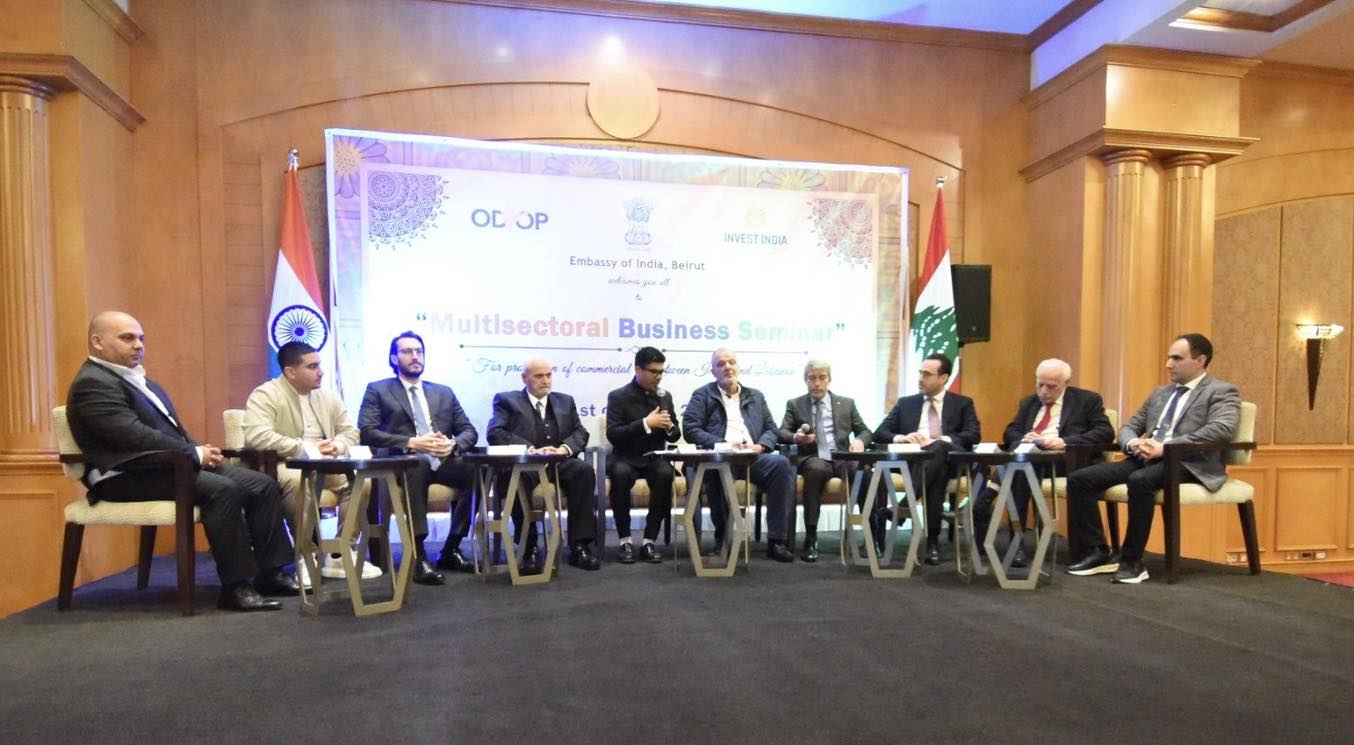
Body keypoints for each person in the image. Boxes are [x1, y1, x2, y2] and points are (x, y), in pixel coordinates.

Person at [66, 311, 296, 612]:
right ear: (97, 342)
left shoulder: (142, 381)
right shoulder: (92, 383)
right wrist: (193, 454)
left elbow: (172, 431)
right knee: (221, 489)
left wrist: (199, 451)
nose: (138, 345)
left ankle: (271, 573)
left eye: (141, 338)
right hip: (121, 475)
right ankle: (236, 587)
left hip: (162, 466)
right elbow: (132, 437)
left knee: (261, 483)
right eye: (127, 338)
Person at [1065, 333, 1240, 584]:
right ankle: (1097, 552)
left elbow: (1220, 430)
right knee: (1080, 479)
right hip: (1146, 458)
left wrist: (1165, 447)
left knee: (1140, 480)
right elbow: (1130, 426)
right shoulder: (1160, 393)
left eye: (1177, 358)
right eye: (1169, 358)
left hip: (1189, 462)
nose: (1168, 364)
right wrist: (1133, 442)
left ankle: (1132, 561)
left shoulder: (1221, 391)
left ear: (1200, 360)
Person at [242, 341, 380, 582]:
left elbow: (350, 432)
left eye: (319, 365)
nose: (321, 372)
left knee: (361, 480)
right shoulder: (266, 394)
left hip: (328, 463)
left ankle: (340, 553)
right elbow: (257, 436)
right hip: (286, 464)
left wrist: (337, 446)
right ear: (290, 372)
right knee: (299, 481)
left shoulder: (328, 396)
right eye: (312, 366)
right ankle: (307, 556)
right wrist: (305, 448)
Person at [357, 331, 478, 585]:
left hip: (440, 460)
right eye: (407, 351)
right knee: (418, 463)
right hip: (401, 463)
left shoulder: (443, 392)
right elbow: (367, 432)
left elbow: (469, 431)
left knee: (476, 468)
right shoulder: (379, 390)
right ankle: (417, 554)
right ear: (394, 358)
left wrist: (452, 444)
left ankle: (451, 548)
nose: (415, 356)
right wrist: (411, 442)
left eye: (419, 351)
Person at [975, 358, 1113, 567]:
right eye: (1040, 384)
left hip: (1065, 461)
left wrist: (1063, 441)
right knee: (1021, 467)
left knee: (1019, 466)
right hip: (1030, 460)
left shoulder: (1087, 400)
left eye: (1051, 386)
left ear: (1066, 383)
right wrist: (1024, 439)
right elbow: (1011, 431)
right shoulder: (1029, 403)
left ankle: (990, 495)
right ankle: (1016, 543)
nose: (1044, 392)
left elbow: (1104, 432)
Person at [682, 348, 796, 562]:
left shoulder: (755, 396)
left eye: (731, 362)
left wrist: (762, 446)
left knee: (781, 464)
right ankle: (723, 540)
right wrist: (722, 444)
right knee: (718, 470)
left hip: (752, 457)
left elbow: (771, 429)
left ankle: (776, 541)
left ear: (738, 367)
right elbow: (690, 428)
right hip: (722, 456)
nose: (727, 367)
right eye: (721, 364)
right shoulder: (703, 394)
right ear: (713, 371)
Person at [486, 358, 601, 571]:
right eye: (539, 376)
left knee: (583, 471)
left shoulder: (565, 401)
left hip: (558, 461)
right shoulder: (506, 400)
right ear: (525, 378)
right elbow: (495, 432)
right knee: (515, 477)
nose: (546, 380)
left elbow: (580, 432)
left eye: (548, 375)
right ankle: (528, 547)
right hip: (525, 463)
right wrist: (530, 450)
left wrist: (564, 449)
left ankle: (580, 546)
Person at [873, 352, 980, 565]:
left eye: (927, 374)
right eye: (920, 373)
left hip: (950, 460)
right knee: (936, 473)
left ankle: (904, 506)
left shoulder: (962, 403)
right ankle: (932, 542)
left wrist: (941, 440)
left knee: (938, 449)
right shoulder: (906, 403)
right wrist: (903, 438)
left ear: (943, 377)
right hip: (914, 461)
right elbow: (880, 433)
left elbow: (973, 434)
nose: (921, 378)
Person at [778, 359, 872, 561]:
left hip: (842, 456)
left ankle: (872, 537)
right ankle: (811, 537)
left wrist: (859, 441)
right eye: (812, 378)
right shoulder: (795, 404)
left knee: (864, 472)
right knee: (815, 471)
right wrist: (796, 437)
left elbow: (864, 431)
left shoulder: (846, 403)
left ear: (829, 379)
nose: (817, 383)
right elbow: (782, 432)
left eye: (822, 378)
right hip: (813, 456)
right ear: (805, 380)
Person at [605, 347, 681, 564]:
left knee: (665, 474)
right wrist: (646, 423)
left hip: (653, 458)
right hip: (625, 457)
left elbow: (675, 435)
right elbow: (613, 434)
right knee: (620, 474)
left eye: (661, 372)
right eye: (653, 371)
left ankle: (649, 540)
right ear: (638, 369)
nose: (658, 377)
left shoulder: (664, 396)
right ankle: (625, 541)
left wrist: (669, 427)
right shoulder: (618, 396)